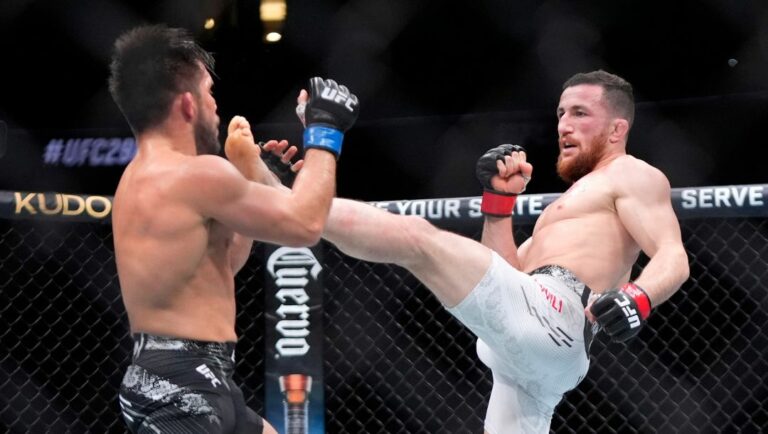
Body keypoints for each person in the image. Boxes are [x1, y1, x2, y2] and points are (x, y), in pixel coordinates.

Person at [318, 70, 689, 433]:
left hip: (557, 319)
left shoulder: (633, 174)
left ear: (617, 129)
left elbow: (673, 256)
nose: (564, 126)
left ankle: (296, 206)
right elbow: (506, 275)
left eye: (580, 113)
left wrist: (638, 297)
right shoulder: (572, 204)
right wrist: (499, 204)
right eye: (561, 114)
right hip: (534, 347)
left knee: (417, 238)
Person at [108, 24, 359, 433]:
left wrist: (252, 175)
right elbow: (306, 224)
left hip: (199, 376)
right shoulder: (196, 174)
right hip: (181, 387)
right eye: (209, 92)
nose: (215, 107)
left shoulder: (138, 179)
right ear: (188, 105)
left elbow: (224, 262)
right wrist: (324, 131)